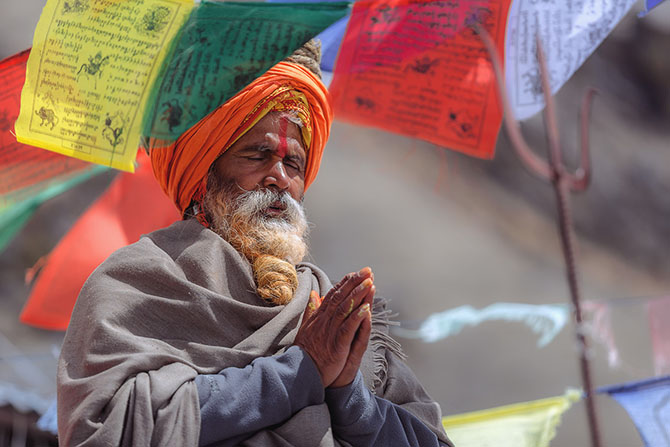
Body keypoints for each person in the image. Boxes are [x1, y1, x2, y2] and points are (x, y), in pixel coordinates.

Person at [57, 42, 453, 446]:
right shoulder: (136, 281)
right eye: (258, 155)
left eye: (293, 164)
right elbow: (112, 430)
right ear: (205, 172)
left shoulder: (330, 314)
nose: (279, 178)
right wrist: (300, 370)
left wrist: (349, 397)